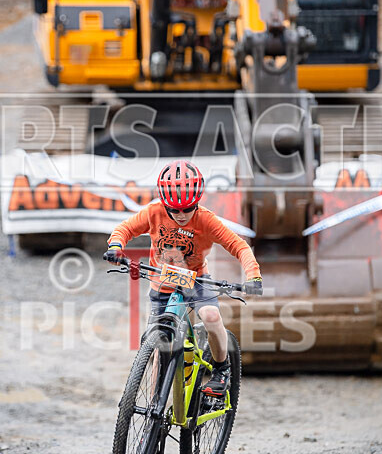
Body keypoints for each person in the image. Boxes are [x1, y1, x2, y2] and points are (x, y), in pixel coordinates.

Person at [104, 160, 263, 397]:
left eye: (187, 209)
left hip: (196, 280)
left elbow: (239, 246)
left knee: (211, 316)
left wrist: (253, 275)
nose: (180, 215)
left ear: (197, 202)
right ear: (164, 204)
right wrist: (116, 247)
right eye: (174, 210)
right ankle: (155, 403)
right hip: (162, 282)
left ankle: (222, 370)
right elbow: (124, 229)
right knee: (159, 344)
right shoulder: (153, 212)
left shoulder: (206, 220)